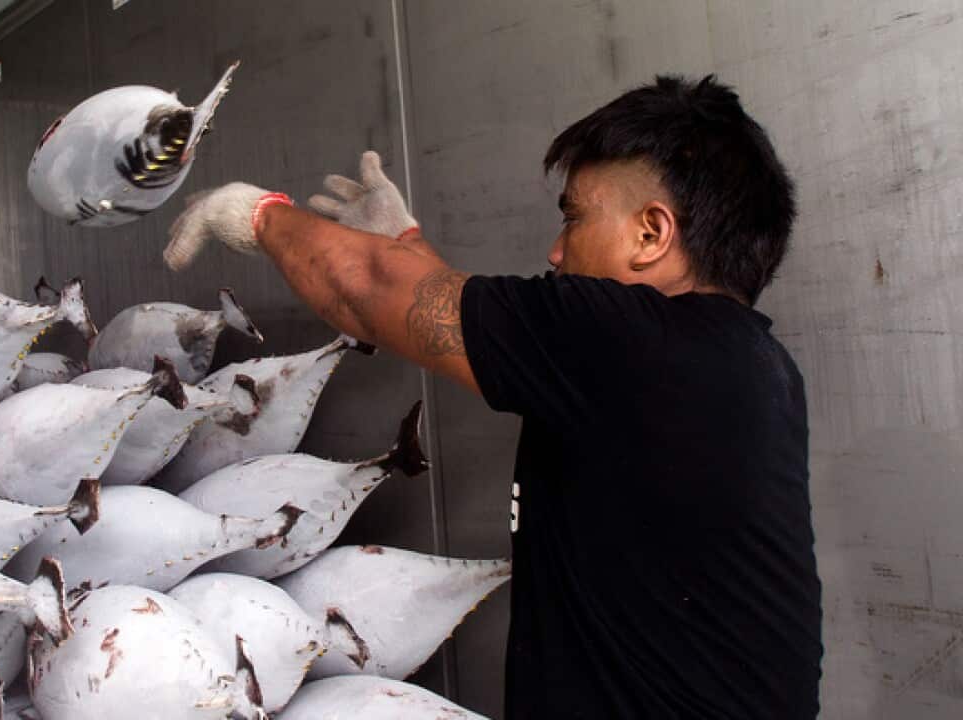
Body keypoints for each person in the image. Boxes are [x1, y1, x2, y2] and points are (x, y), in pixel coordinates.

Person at [163, 75, 823, 719]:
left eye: (575, 218)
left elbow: (366, 287)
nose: (557, 250)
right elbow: (475, 320)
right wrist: (406, 246)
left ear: (651, 234)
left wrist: (256, 214)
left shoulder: (633, 345)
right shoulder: (739, 362)